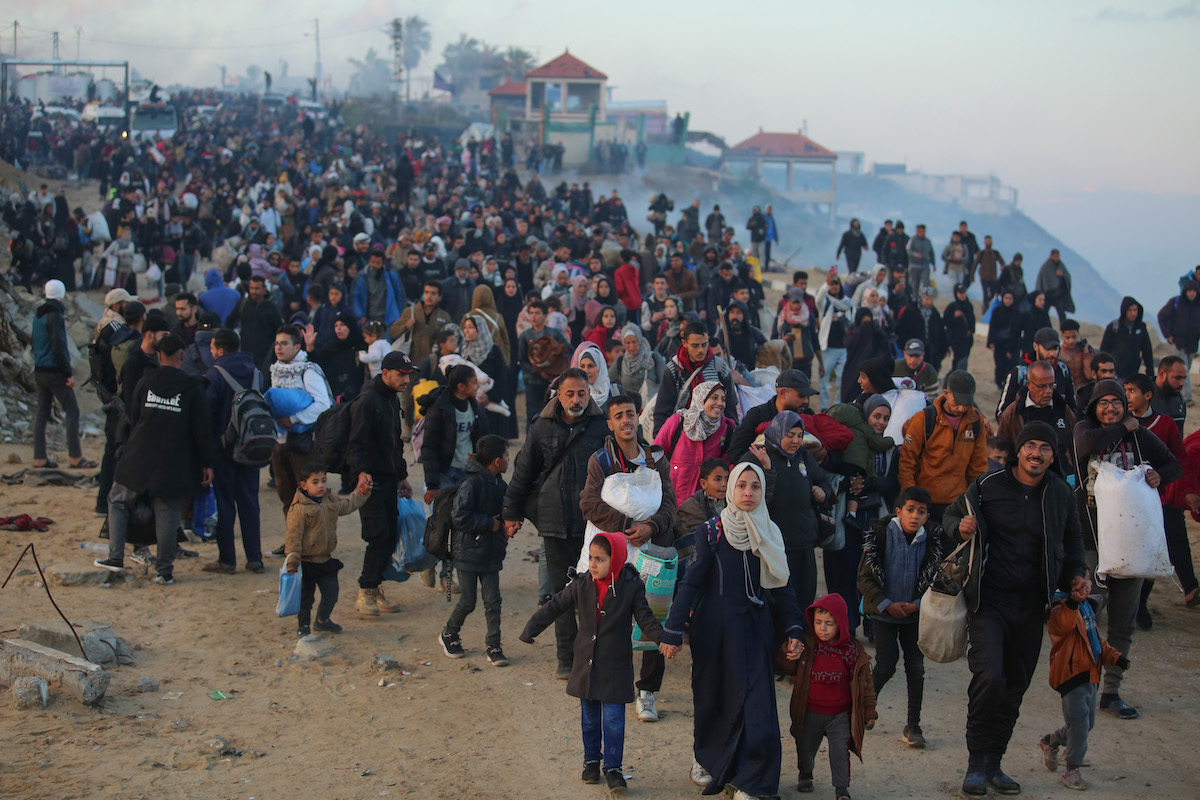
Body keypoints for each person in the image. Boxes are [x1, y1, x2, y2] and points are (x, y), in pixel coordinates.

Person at [944, 421, 1090, 797]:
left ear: (1053, 455)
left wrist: (1076, 576)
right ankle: (976, 764)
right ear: (1018, 450)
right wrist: (960, 527)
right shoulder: (988, 486)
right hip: (989, 602)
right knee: (990, 677)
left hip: (1032, 606)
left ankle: (994, 764)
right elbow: (949, 518)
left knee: (1014, 686)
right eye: (1030, 446)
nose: (1036, 453)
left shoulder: (1059, 493)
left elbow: (1073, 545)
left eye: (1044, 448)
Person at [659, 462, 805, 799]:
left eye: (755, 486)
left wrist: (795, 629)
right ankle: (708, 759)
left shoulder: (770, 532)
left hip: (754, 629)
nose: (748, 493)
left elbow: (783, 587)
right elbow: (693, 583)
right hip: (714, 630)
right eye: (742, 486)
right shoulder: (712, 530)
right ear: (730, 491)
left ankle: (752, 780)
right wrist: (672, 629)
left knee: (757, 705)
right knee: (713, 698)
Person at [520, 531, 667, 795]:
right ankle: (591, 762)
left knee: (613, 721)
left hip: (615, 666)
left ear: (617, 559)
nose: (593, 564)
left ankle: (613, 769)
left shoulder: (630, 586)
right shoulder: (581, 584)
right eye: (590, 558)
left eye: (600, 559)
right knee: (589, 720)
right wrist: (531, 629)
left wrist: (663, 640)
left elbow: (645, 619)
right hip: (586, 665)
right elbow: (555, 606)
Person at [1072, 380, 1180, 720]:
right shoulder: (1085, 430)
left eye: (1116, 402)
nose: (1109, 408)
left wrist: (1159, 477)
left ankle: (1111, 691)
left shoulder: (1139, 436)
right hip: (1091, 540)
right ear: (1093, 407)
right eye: (1103, 403)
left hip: (1131, 542)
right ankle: (1082, 685)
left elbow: (1173, 464)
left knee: (1123, 620)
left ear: (1124, 404)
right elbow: (1084, 447)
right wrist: (1124, 425)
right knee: (1087, 615)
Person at [504, 368, 610, 678]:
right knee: (562, 593)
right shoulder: (541, 427)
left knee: (595, 594)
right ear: (558, 395)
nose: (576, 400)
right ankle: (566, 659)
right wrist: (511, 512)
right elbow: (523, 471)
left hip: (593, 525)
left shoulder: (602, 427)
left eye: (581, 393)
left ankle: (592, 656)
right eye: (570, 394)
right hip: (553, 520)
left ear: (589, 395)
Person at [580, 395, 679, 723]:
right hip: (614, 553)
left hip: (651, 551)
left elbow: (669, 504)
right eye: (618, 415)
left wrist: (651, 526)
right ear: (610, 424)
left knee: (654, 617)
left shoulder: (656, 460)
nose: (626, 420)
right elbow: (589, 503)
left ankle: (647, 691)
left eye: (630, 414)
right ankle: (610, 685)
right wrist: (626, 527)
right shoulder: (601, 461)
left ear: (638, 418)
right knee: (610, 619)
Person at [93, 334, 214, 584]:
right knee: (168, 514)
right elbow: (202, 430)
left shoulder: (145, 382)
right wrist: (207, 462)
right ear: (181, 357)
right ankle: (164, 571)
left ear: (159, 357)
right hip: (174, 460)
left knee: (117, 501)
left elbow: (133, 417)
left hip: (139, 455)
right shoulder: (193, 388)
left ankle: (116, 557)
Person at [857, 486, 946, 749]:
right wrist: (886, 604)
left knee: (915, 669)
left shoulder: (931, 541)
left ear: (927, 515)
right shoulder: (881, 536)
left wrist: (918, 605)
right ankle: (865, 709)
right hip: (885, 613)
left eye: (921, 512)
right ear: (898, 511)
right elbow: (864, 578)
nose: (915, 516)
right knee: (886, 663)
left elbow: (937, 579)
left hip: (915, 615)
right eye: (910, 510)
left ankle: (913, 725)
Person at [781, 593, 877, 800]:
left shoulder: (852, 651)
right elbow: (786, 666)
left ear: (841, 623)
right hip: (810, 712)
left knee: (839, 752)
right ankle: (805, 773)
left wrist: (869, 710)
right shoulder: (807, 645)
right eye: (818, 622)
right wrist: (789, 650)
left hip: (839, 715)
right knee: (805, 748)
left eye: (829, 624)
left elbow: (865, 683)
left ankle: (841, 790)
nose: (822, 628)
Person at [1039, 585, 1130, 791]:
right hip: (1072, 677)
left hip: (1091, 675)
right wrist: (1071, 602)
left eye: (1088, 580)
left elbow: (1096, 642)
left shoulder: (1087, 608)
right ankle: (1072, 770)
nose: (1086, 585)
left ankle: (1050, 741)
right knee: (1079, 725)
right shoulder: (1060, 610)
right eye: (1079, 581)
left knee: (1086, 724)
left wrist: (1116, 658)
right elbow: (1061, 626)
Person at [346, 351, 417, 616]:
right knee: (377, 534)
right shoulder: (368, 401)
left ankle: (374, 587)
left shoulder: (389, 399)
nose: (406, 381)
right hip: (370, 480)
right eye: (401, 375)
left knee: (390, 532)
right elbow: (356, 443)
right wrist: (361, 473)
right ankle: (365, 591)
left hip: (389, 478)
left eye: (408, 375)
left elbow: (395, 443)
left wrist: (401, 476)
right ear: (385, 373)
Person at [743, 410, 832, 612]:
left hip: (804, 541)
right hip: (774, 544)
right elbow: (749, 494)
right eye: (789, 435)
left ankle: (801, 639)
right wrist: (766, 469)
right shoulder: (758, 456)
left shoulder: (804, 458)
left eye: (799, 436)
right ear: (777, 432)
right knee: (779, 600)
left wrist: (823, 491)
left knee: (804, 596)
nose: (795, 441)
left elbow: (823, 479)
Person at [440, 435, 512, 667]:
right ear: (497, 461)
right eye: (507, 457)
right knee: (468, 601)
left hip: (490, 552)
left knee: (493, 601)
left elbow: (507, 510)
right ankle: (449, 633)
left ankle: (494, 645)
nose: (509, 461)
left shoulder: (500, 485)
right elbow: (459, 516)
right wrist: (488, 524)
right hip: (467, 553)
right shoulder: (471, 484)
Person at [202, 329, 265, 574]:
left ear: (219, 350)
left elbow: (207, 416)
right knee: (250, 503)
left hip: (224, 450)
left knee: (225, 504)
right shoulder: (257, 372)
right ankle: (255, 558)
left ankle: (227, 560)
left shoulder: (214, 375)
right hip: (252, 447)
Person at [284, 463, 371, 636]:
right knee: (305, 599)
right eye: (315, 482)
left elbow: (347, 505)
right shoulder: (298, 509)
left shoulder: (330, 500)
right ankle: (303, 626)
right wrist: (292, 562)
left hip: (325, 559)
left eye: (323, 481)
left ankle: (322, 620)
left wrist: (362, 492)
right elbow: (293, 537)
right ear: (303, 485)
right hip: (306, 562)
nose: (321, 486)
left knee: (331, 593)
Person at [898, 370, 987, 522]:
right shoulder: (924, 419)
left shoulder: (976, 422)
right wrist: (911, 499)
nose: (961, 408)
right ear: (946, 393)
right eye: (957, 402)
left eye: (966, 404)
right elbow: (907, 463)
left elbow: (978, 465)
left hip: (957, 502)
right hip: (925, 503)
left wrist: (978, 498)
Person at [267, 327, 334, 526]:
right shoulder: (275, 370)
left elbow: (323, 404)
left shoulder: (308, 370)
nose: (279, 348)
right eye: (277, 343)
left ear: (297, 346)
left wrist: (295, 418)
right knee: (286, 495)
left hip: (302, 442)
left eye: (284, 343)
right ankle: (293, 540)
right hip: (279, 441)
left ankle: (313, 542)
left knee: (307, 495)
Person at [727, 369, 852, 462]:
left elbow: (836, 455)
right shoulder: (758, 415)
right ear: (783, 393)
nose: (806, 401)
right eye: (801, 396)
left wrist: (822, 457)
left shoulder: (808, 415)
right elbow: (735, 454)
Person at [32, 279, 91, 469]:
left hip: (39, 370)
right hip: (55, 372)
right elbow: (58, 347)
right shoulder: (55, 315)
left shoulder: (38, 314)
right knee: (72, 410)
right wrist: (68, 373)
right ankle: (75, 456)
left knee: (42, 413)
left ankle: (39, 457)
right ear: (62, 295)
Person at [654, 381, 734, 504]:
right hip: (669, 501)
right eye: (714, 398)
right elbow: (656, 454)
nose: (720, 403)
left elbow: (726, 467)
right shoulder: (679, 422)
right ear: (701, 399)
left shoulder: (726, 430)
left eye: (723, 399)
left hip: (703, 506)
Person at [653, 321, 739, 435]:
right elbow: (663, 407)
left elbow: (730, 404)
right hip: (682, 433)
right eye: (695, 345)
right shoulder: (674, 369)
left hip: (715, 433)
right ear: (684, 343)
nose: (701, 350)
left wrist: (733, 433)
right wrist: (660, 439)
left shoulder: (719, 367)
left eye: (704, 344)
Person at [419, 364, 489, 502]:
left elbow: (484, 440)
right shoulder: (439, 409)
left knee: (465, 514)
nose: (478, 386)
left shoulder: (476, 409)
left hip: (468, 470)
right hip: (446, 471)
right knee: (445, 512)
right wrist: (432, 484)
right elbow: (429, 447)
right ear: (461, 387)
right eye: (474, 383)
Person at [996, 361, 1077, 474]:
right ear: (1029, 385)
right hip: (1024, 478)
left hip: (1062, 476)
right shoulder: (1013, 413)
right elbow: (1001, 448)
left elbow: (1075, 447)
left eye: (1051, 385)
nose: (1048, 391)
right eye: (1042, 386)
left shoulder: (1063, 409)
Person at [997, 327, 1076, 418]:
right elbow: (1001, 414)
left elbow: (1073, 408)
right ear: (1035, 346)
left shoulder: (1063, 371)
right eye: (1047, 348)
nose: (1052, 353)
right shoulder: (1019, 374)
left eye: (1055, 348)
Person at [518, 299, 570, 424]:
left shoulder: (554, 333)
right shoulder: (525, 336)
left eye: (537, 313)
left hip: (552, 380)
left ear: (545, 316)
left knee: (552, 411)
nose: (533, 316)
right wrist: (537, 372)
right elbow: (522, 360)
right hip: (532, 381)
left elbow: (568, 349)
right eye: (531, 313)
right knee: (532, 413)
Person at [1158, 281, 1200, 399]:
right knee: (1183, 368)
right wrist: (1168, 335)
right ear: (1185, 291)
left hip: (1193, 344)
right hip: (1179, 342)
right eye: (1189, 291)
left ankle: (1177, 393)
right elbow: (1162, 316)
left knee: (1186, 370)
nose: (1192, 294)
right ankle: (1187, 397)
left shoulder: (1198, 305)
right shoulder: (1176, 302)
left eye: (1194, 291)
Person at [610, 324, 666, 406]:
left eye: (634, 342)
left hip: (650, 407)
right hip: (629, 408)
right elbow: (607, 380)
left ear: (639, 340)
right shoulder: (620, 361)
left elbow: (665, 382)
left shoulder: (653, 358)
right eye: (628, 343)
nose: (631, 346)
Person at [1099, 296, 1154, 380]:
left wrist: (1150, 374)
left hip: (1133, 373)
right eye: (1130, 310)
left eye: (1135, 310)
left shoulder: (1141, 328)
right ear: (1124, 311)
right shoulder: (1114, 327)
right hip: (1115, 374)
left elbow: (1147, 352)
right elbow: (1104, 350)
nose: (1133, 313)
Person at [353, 248, 405, 328]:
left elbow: (400, 294)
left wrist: (400, 313)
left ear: (383, 263)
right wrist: (360, 315)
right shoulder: (362, 277)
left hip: (388, 318)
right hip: (369, 318)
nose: (375, 265)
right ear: (369, 261)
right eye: (373, 262)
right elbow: (355, 297)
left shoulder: (391, 275)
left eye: (378, 263)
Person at [678, 458, 729, 535]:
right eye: (718, 479)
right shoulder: (691, 507)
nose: (724, 484)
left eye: (727, 479)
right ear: (703, 483)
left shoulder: (734, 503)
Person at [987, 288, 1022, 389]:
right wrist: (991, 341)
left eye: (1010, 298)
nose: (1008, 300)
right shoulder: (997, 311)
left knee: (1012, 365)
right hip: (1000, 344)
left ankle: (1009, 383)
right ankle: (999, 382)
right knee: (1000, 365)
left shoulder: (1016, 313)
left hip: (1013, 343)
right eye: (1006, 298)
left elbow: (1017, 331)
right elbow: (992, 327)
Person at [1036, 249, 1074, 325]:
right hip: (1048, 294)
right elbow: (1041, 280)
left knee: (1061, 312)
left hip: (1058, 295)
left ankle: (1064, 327)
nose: (1057, 258)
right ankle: (1042, 326)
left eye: (1058, 256)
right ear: (1051, 256)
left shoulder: (1061, 265)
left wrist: (1062, 275)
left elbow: (1067, 276)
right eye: (1055, 256)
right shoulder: (1046, 266)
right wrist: (1040, 293)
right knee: (1044, 312)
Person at [1150, 354, 1187, 433]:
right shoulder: (1143, 397)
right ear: (1162, 374)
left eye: (1184, 378)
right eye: (1178, 378)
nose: (1182, 383)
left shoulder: (1179, 399)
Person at [944, 283, 976, 373]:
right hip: (955, 340)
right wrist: (954, 316)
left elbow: (972, 320)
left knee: (963, 360)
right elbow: (945, 321)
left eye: (964, 292)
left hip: (966, 340)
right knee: (958, 361)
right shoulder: (952, 307)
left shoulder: (969, 306)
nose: (962, 295)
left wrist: (971, 330)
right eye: (960, 293)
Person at [1059, 321, 1095, 394]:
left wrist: (1086, 354)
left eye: (1074, 337)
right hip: (1067, 392)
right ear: (1062, 335)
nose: (1071, 341)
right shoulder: (1058, 352)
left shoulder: (1086, 350)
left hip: (1085, 392)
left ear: (1078, 334)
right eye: (1067, 337)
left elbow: (1089, 376)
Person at [972, 235, 1006, 309]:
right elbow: (975, 265)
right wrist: (972, 276)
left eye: (990, 241)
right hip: (984, 276)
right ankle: (985, 307)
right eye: (987, 241)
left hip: (993, 277)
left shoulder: (995, 253)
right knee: (985, 293)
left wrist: (1002, 266)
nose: (988, 242)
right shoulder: (981, 253)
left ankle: (985, 303)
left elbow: (1002, 262)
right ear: (984, 242)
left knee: (993, 293)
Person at [905, 224, 935, 293]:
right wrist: (915, 254)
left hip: (925, 266)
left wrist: (934, 264)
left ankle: (926, 299)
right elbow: (908, 250)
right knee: (914, 285)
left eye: (923, 231)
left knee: (926, 284)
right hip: (914, 266)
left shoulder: (928, 241)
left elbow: (931, 253)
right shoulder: (912, 240)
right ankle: (914, 300)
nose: (922, 233)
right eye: (920, 231)